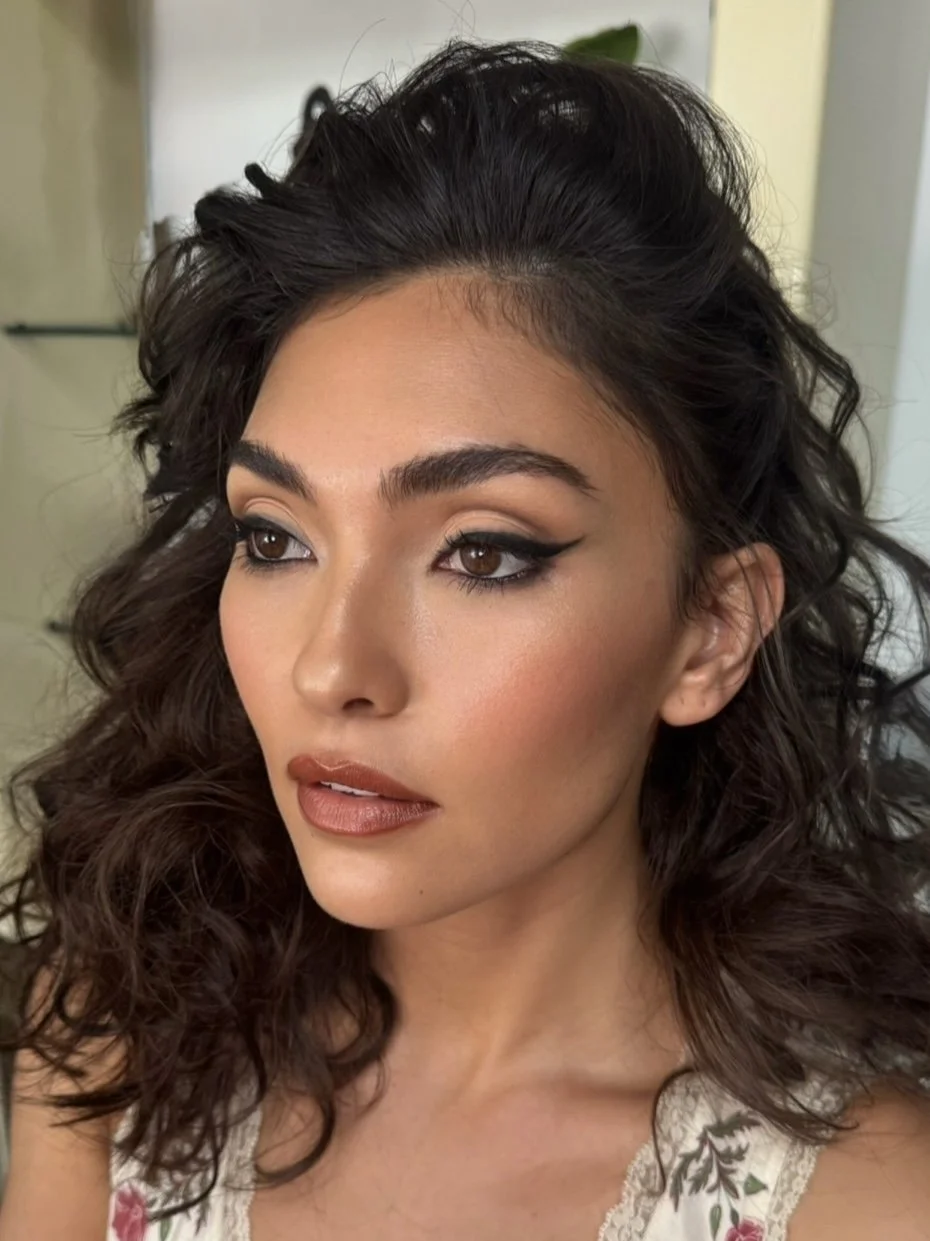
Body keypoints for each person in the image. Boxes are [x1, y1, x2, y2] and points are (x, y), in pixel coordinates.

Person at [0, 37, 929, 1241]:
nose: (332, 667)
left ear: (710, 628)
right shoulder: (119, 1043)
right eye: (275, 537)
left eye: (483, 551)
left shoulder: (873, 1201)